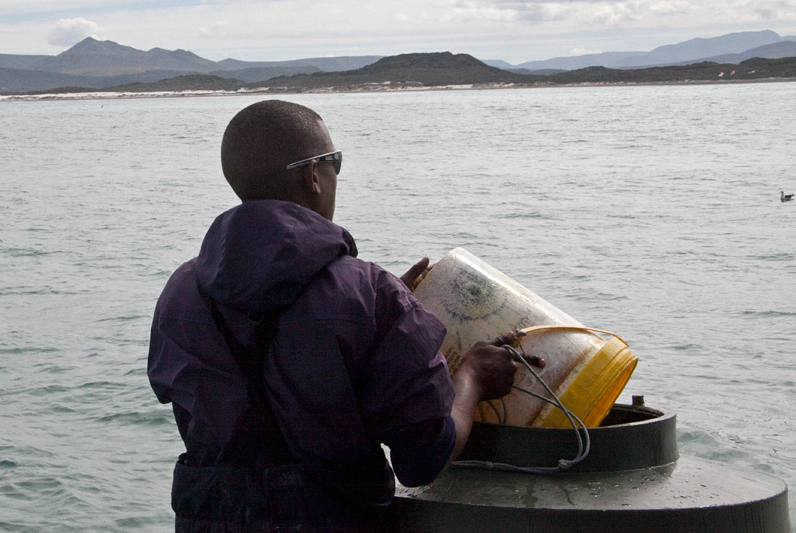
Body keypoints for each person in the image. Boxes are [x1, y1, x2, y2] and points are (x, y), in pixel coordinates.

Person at [147, 100, 532, 532]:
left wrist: (387, 313)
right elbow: (424, 458)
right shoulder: (368, 293)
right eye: (335, 162)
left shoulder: (179, 292)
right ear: (313, 174)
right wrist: (472, 378)